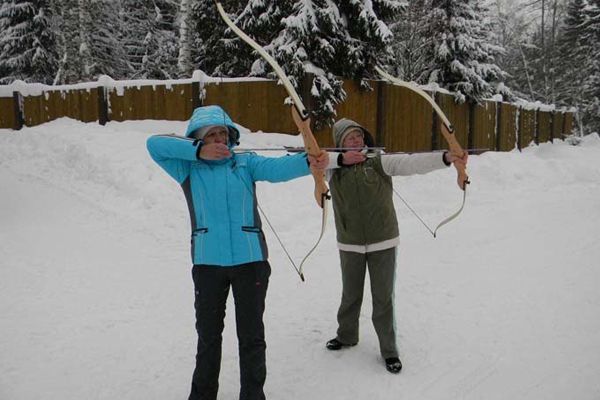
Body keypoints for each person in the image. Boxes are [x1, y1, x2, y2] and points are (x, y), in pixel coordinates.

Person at [146, 105, 328, 400]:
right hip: (207, 265)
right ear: (199, 139)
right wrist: (197, 152)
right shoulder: (187, 168)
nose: (219, 140)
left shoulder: (245, 163)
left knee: (252, 337)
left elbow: (279, 169)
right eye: (211, 135)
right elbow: (154, 144)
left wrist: (310, 160)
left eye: (222, 134)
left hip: (251, 263)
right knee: (208, 338)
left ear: (230, 136)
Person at [323, 118, 468, 374]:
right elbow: (315, 160)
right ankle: (346, 335)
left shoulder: (378, 161)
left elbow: (410, 163)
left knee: (383, 298)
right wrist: (342, 160)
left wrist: (446, 157)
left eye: (358, 135)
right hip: (350, 243)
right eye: (349, 137)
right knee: (350, 294)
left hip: (383, 240)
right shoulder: (332, 168)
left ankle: (389, 350)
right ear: (340, 143)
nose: (356, 140)